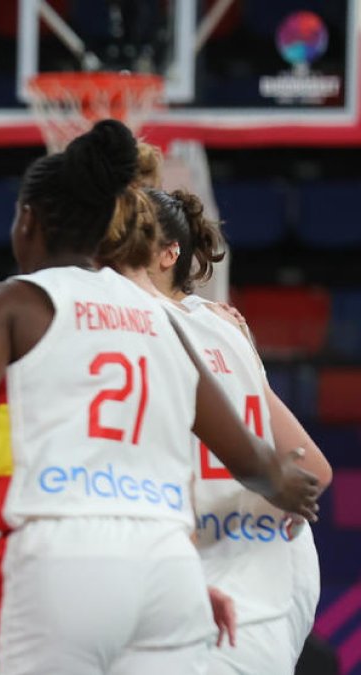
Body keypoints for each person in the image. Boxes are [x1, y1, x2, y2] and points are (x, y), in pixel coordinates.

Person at [0, 120, 320, 675]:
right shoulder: (162, 317)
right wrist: (281, 484)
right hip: (161, 567)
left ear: (29, 221)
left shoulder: (14, 303)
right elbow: (234, 443)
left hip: (63, 565)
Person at [104, 187, 332, 674]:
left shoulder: (129, 327)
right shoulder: (228, 330)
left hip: (199, 599)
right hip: (273, 590)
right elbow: (315, 471)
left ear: (167, 254)